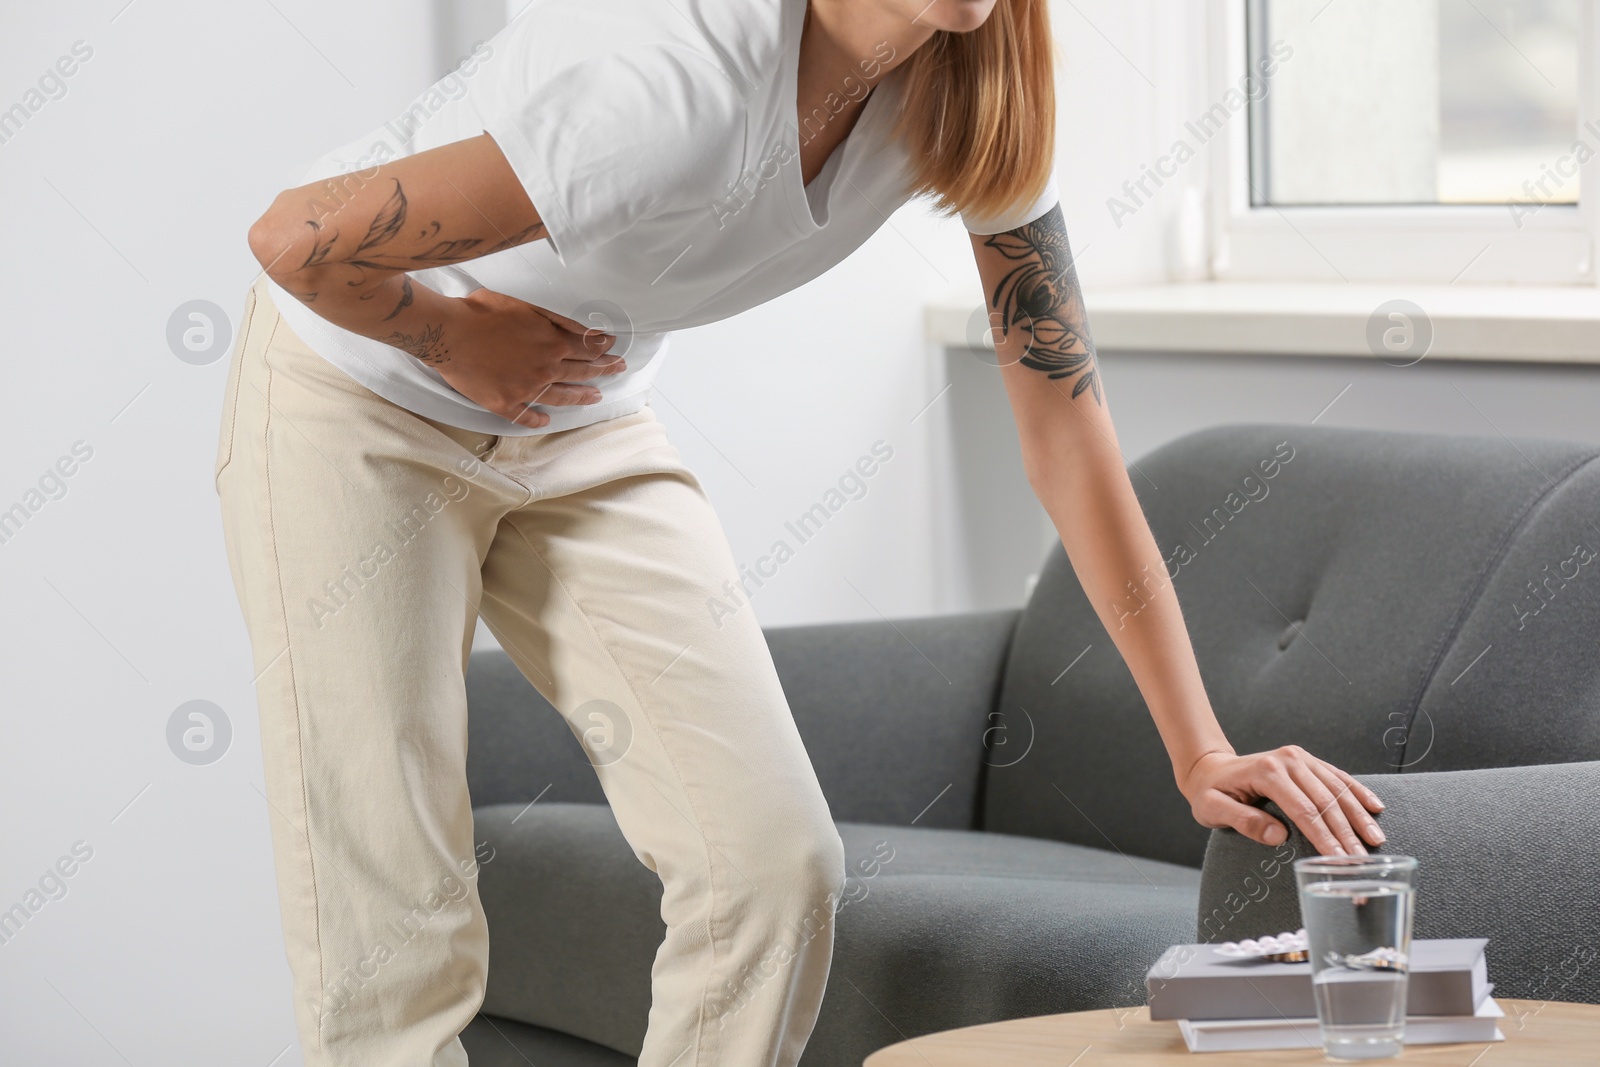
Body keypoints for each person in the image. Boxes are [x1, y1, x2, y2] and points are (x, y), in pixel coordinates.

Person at [220, 0, 1387, 1063]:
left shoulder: (969, 92)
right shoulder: (675, 76)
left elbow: (1067, 430)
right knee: (393, 918)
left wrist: (1195, 748)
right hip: (359, 394)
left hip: (579, 420)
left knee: (771, 866)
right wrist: (452, 336)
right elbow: (294, 238)